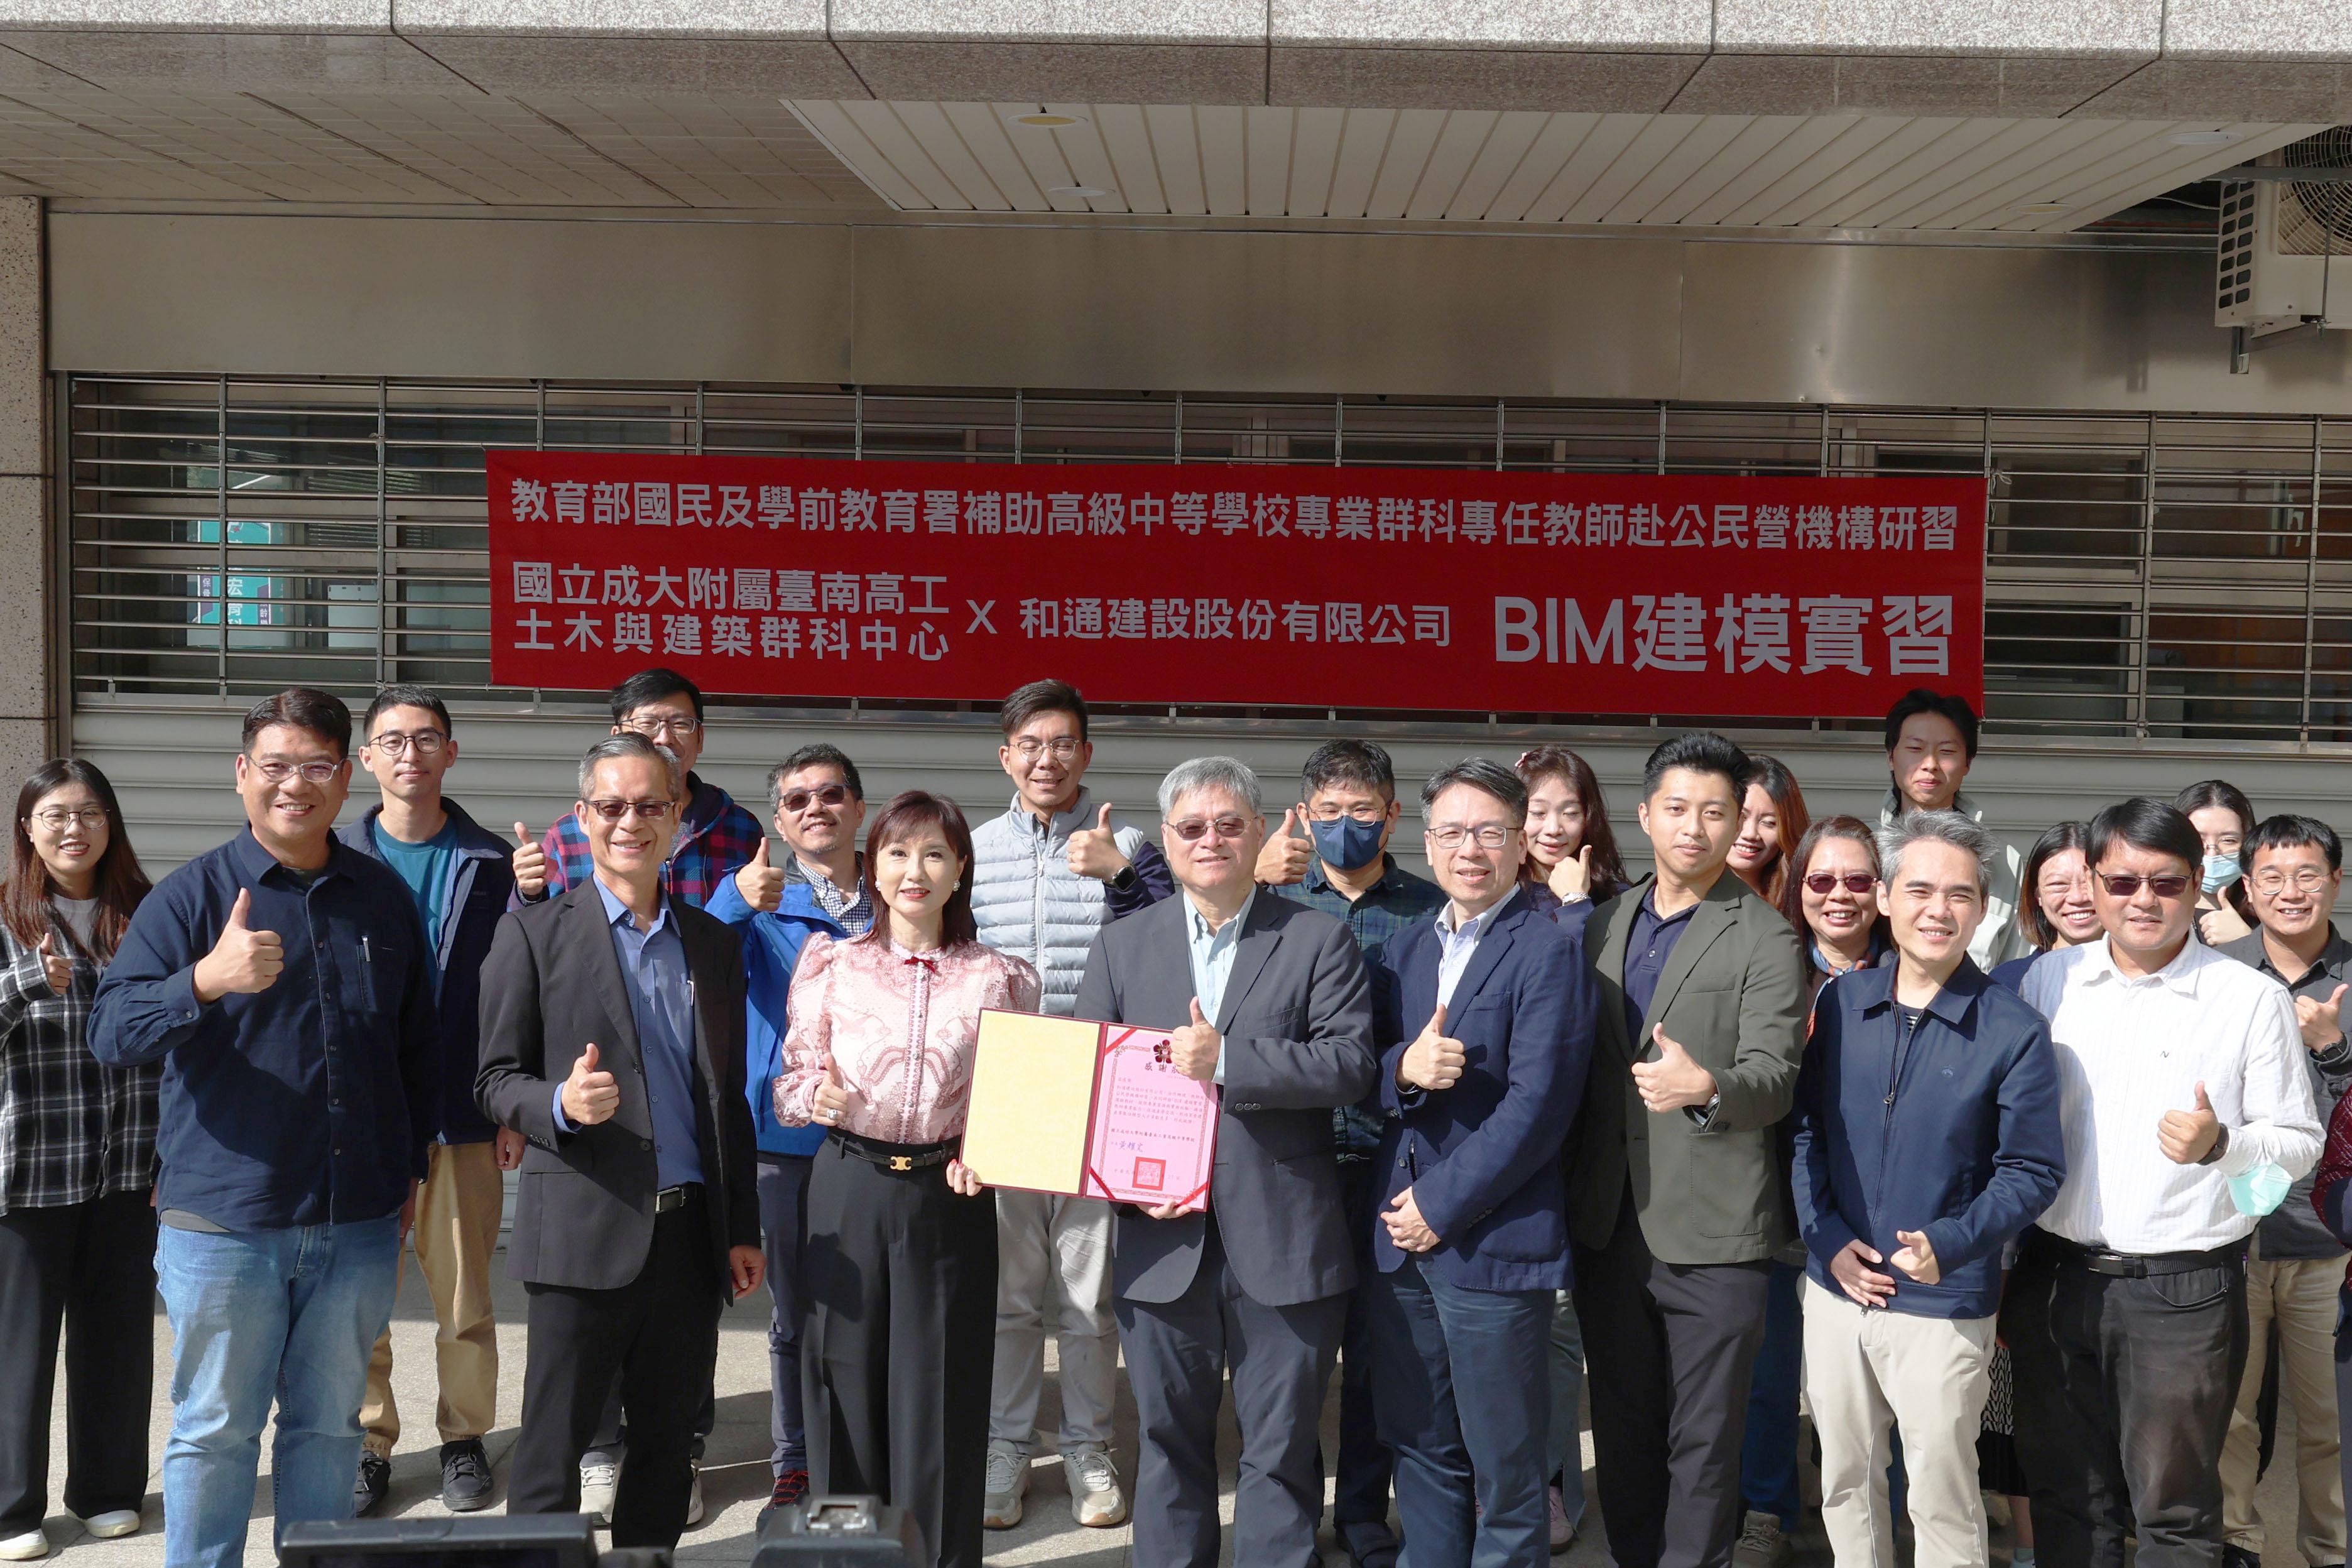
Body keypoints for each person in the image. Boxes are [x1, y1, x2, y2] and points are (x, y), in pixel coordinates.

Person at [90, 689, 438, 1568]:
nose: (296, 785)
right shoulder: (191, 897)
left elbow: (416, 1047)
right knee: (215, 1429)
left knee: (330, 1427)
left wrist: (408, 1171)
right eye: (276, 765)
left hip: (356, 1220)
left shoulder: (382, 898)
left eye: (317, 765)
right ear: (242, 775)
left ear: (345, 776)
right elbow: (112, 1032)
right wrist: (204, 981)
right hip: (227, 1223)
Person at [1074, 756, 1378, 1568]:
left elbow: (1351, 1066)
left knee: (1280, 1446)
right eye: (1191, 828)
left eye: (1229, 824)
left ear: (1259, 832)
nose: (1210, 840)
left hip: (1284, 1236)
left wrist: (1231, 1060)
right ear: (1165, 840)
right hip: (1159, 1236)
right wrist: (1125, 1181)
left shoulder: (1316, 938)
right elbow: (1090, 1085)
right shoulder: (1122, 945)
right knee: (1168, 1442)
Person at [2011, 797, 2322, 1568]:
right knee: (2065, 1498)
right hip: (2055, 1278)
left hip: (2183, 1290)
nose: (2143, 900)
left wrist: (2224, 1145)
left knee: (2174, 1512)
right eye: (2122, 882)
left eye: (2166, 882)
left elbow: (2300, 1142)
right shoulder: (2048, 981)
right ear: (2093, 882)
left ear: (2198, 881)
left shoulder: (2248, 998)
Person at [476, 732, 765, 1550]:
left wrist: (740, 1226)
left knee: (667, 1451)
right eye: (610, 806)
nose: (629, 822)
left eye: (648, 806)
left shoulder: (712, 943)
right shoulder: (533, 935)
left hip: (689, 1237)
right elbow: (492, 1079)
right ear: (582, 817)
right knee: (551, 1451)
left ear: (675, 818)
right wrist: (559, 1103)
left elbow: (728, 1098)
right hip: (581, 1233)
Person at [1792, 810, 2066, 1568]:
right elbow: (1807, 1133)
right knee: (1845, 1481)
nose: (1937, 910)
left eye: (1959, 894)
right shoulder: (1842, 1004)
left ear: (1981, 910)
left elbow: (2033, 1170)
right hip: (1838, 1288)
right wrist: (1826, 1240)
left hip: (1943, 1298)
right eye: (1919, 890)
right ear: (1885, 898)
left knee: (1942, 1494)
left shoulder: (2013, 1029)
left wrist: (1948, 1243)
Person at [778, 791, 1040, 1568]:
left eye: (934, 853)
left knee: (943, 1391)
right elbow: (788, 1084)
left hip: (947, 1197)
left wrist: (987, 1149)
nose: (914, 870)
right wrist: (814, 1094)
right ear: (874, 868)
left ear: (960, 869)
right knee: (842, 1385)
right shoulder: (832, 964)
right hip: (849, 1185)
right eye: (897, 852)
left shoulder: (1001, 977)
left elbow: (1017, 1102)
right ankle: (847, 1557)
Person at [1565, 732, 1807, 1568]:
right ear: (1645, 816)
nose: (1693, 828)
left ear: (1739, 822)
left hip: (1715, 1237)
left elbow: (1775, 1079)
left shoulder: (1766, 937)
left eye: (1714, 811)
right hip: (1610, 1225)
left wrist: (1706, 1087)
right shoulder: (1602, 923)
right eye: (1677, 808)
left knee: (1704, 1446)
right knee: (1624, 1434)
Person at [1365, 757, 1594, 1568]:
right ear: (1427, 843)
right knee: (1421, 1445)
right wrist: (1401, 1070)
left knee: (1507, 1468)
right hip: (1399, 1239)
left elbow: (1540, 1109)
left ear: (1521, 843)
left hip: (1492, 1242)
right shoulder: (1404, 949)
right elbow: (1369, 1072)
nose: (1471, 849)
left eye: (1491, 832)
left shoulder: (1550, 948)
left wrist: (1440, 1204)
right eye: (1454, 832)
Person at [971, 679, 1170, 1532]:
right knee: (1011, 1296)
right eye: (1030, 745)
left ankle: (1090, 1448)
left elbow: (1179, 943)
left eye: (1062, 744)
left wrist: (1120, 873)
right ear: (1006, 756)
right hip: (1009, 1084)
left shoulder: (1132, 843)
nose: (1046, 759)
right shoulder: (974, 848)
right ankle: (1006, 1446)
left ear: (1086, 754)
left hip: (1100, 1084)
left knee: (1088, 1295)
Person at [1257, 738, 1444, 1568]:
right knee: (1291, 1358)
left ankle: (1364, 1514)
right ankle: (1292, 1518)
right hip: (1292, 1160)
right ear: (1303, 816)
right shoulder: (1271, 905)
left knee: (1378, 1353)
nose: (1345, 826)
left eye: (1362, 811)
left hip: (1388, 1159)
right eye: (1328, 812)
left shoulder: (1430, 910)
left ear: (1393, 816)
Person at [340, 685, 521, 1517]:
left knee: (464, 1300)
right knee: (357, 1302)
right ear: (366, 759)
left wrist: (512, 1104)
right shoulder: (332, 860)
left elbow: (520, 994)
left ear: (452, 751)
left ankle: (463, 1439)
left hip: (461, 1112)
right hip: (361, 1121)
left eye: (425, 738)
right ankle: (367, 1443)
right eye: (392, 740)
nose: (408, 754)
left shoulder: (494, 863)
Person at [706, 742, 873, 1515]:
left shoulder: (897, 890)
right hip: (787, 1139)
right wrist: (736, 900)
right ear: (778, 821)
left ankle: (869, 1451)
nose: (816, 808)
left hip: (884, 1136)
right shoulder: (761, 899)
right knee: (796, 1312)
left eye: (831, 794)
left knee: (877, 1305)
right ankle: (797, 1459)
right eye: (798, 799)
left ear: (858, 808)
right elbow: (697, 959)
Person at [0, 761, 156, 1561]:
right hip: (31, 1168)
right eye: (56, 815)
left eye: (90, 813)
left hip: (130, 1167)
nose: (74, 829)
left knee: (118, 1341)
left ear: (110, 824)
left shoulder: (147, 913)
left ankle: (107, 1491)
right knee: (17, 1350)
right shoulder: (4, 915)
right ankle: (10, 1510)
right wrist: (26, 982)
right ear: (28, 828)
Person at [1734, 813, 1890, 1568]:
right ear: (1797, 888)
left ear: (1882, 891)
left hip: (1873, 1216)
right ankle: (1766, 1508)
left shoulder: (1911, 971)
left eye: (1858, 880)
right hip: (1772, 1205)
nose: (1839, 895)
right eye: (1822, 880)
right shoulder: (1770, 968)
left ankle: (1879, 1526)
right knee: (1768, 1381)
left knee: (1870, 1394)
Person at [2215, 815, 2352, 1568]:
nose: (2290, 891)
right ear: (2248, 887)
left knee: (2328, 1419)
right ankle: (2236, 1541)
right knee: (2229, 1413)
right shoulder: (2217, 974)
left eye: (2307, 875)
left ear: (2335, 880)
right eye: (2272, 877)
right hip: (2231, 1233)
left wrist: (2336, 1049)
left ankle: (2329, 1549)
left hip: (2329, 1244)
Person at [1515, 743, 1628, 1550]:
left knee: (1559, 1333)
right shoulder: (1488, 894)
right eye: (1536, 810)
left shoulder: (1616, 903)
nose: (1553, 826)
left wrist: (1575, 907)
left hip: (1585, 1148)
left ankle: (1554, 1485)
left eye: (1569, 808)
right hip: (1507, 1142)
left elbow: (1588, 1011)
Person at [1878, 690, 2026, 970]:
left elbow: (2015, 964)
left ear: (1968, 762)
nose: (1930, 764)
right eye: (1915, 749)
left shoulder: (2003, 861)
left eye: (1946, 751)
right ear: (1891, 757)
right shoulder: (1865, 851)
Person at [1988, 822, 2099, 995]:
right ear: (2037, 895)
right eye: (2058, 884)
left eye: (2090, 882)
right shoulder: (2007, 983)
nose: (2077, 897)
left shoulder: (2142, 976)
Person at [2178, 780, 2258, 949]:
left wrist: (2246, 942)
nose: (2212, 853)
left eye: (2229, 840)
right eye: (2198, 840)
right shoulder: (2157, 913)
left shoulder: (2269, 913)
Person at [1728, 756, 1809, 913]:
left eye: (1769, 823)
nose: (1751, 834)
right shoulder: (1687, 893)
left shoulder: (1803, 901)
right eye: (1741, 816)